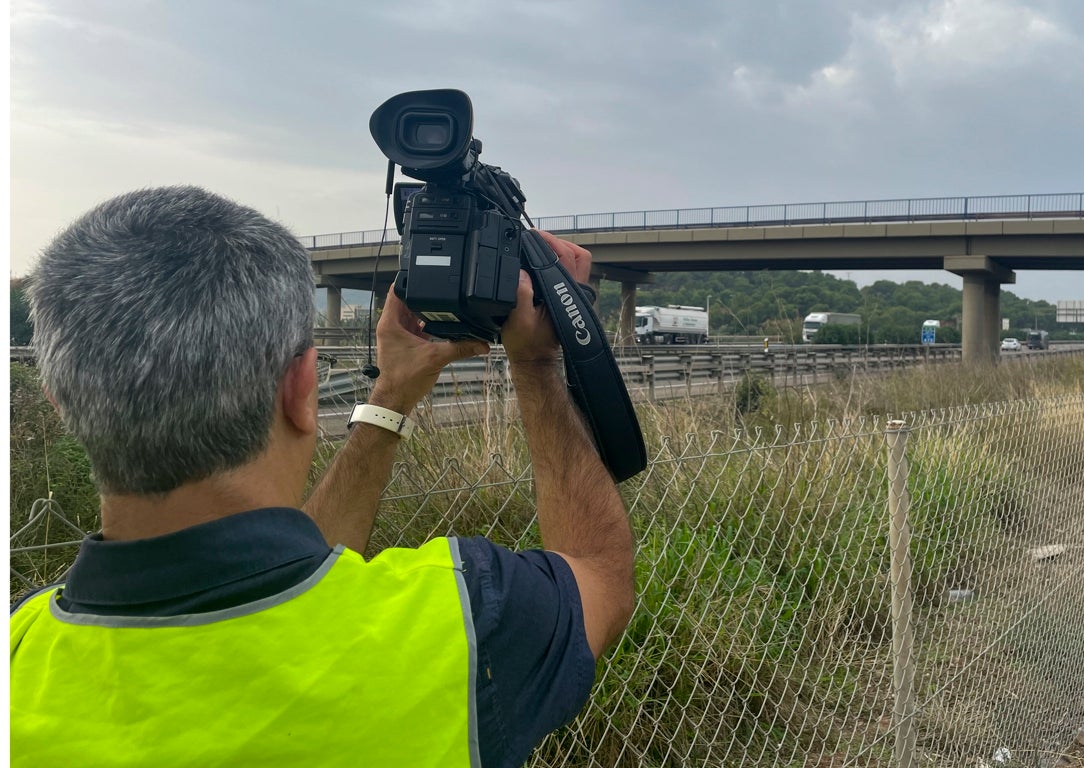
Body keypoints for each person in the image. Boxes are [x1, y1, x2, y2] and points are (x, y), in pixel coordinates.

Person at [10, 186, 635, 767]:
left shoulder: (19, 651)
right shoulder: (461, 624)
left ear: (61, 404)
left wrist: (391, 394)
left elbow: (292, 573)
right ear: (304, 387)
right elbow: (597, 574)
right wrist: (537, 361)